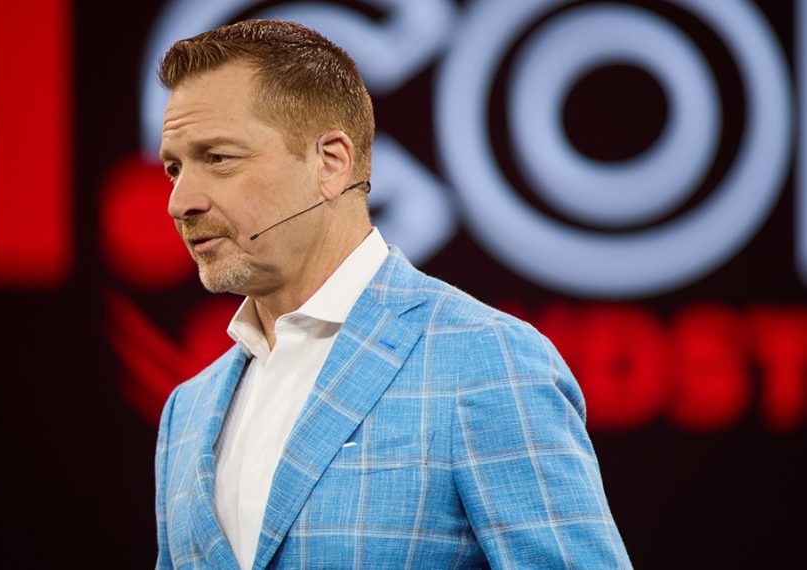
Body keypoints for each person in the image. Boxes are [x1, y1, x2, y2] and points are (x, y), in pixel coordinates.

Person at [153, 19, 631, 569]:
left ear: (331, 162)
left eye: (218, 158)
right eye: (174, 168)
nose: (179, 201)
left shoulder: (485, 361)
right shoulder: (186, 411)